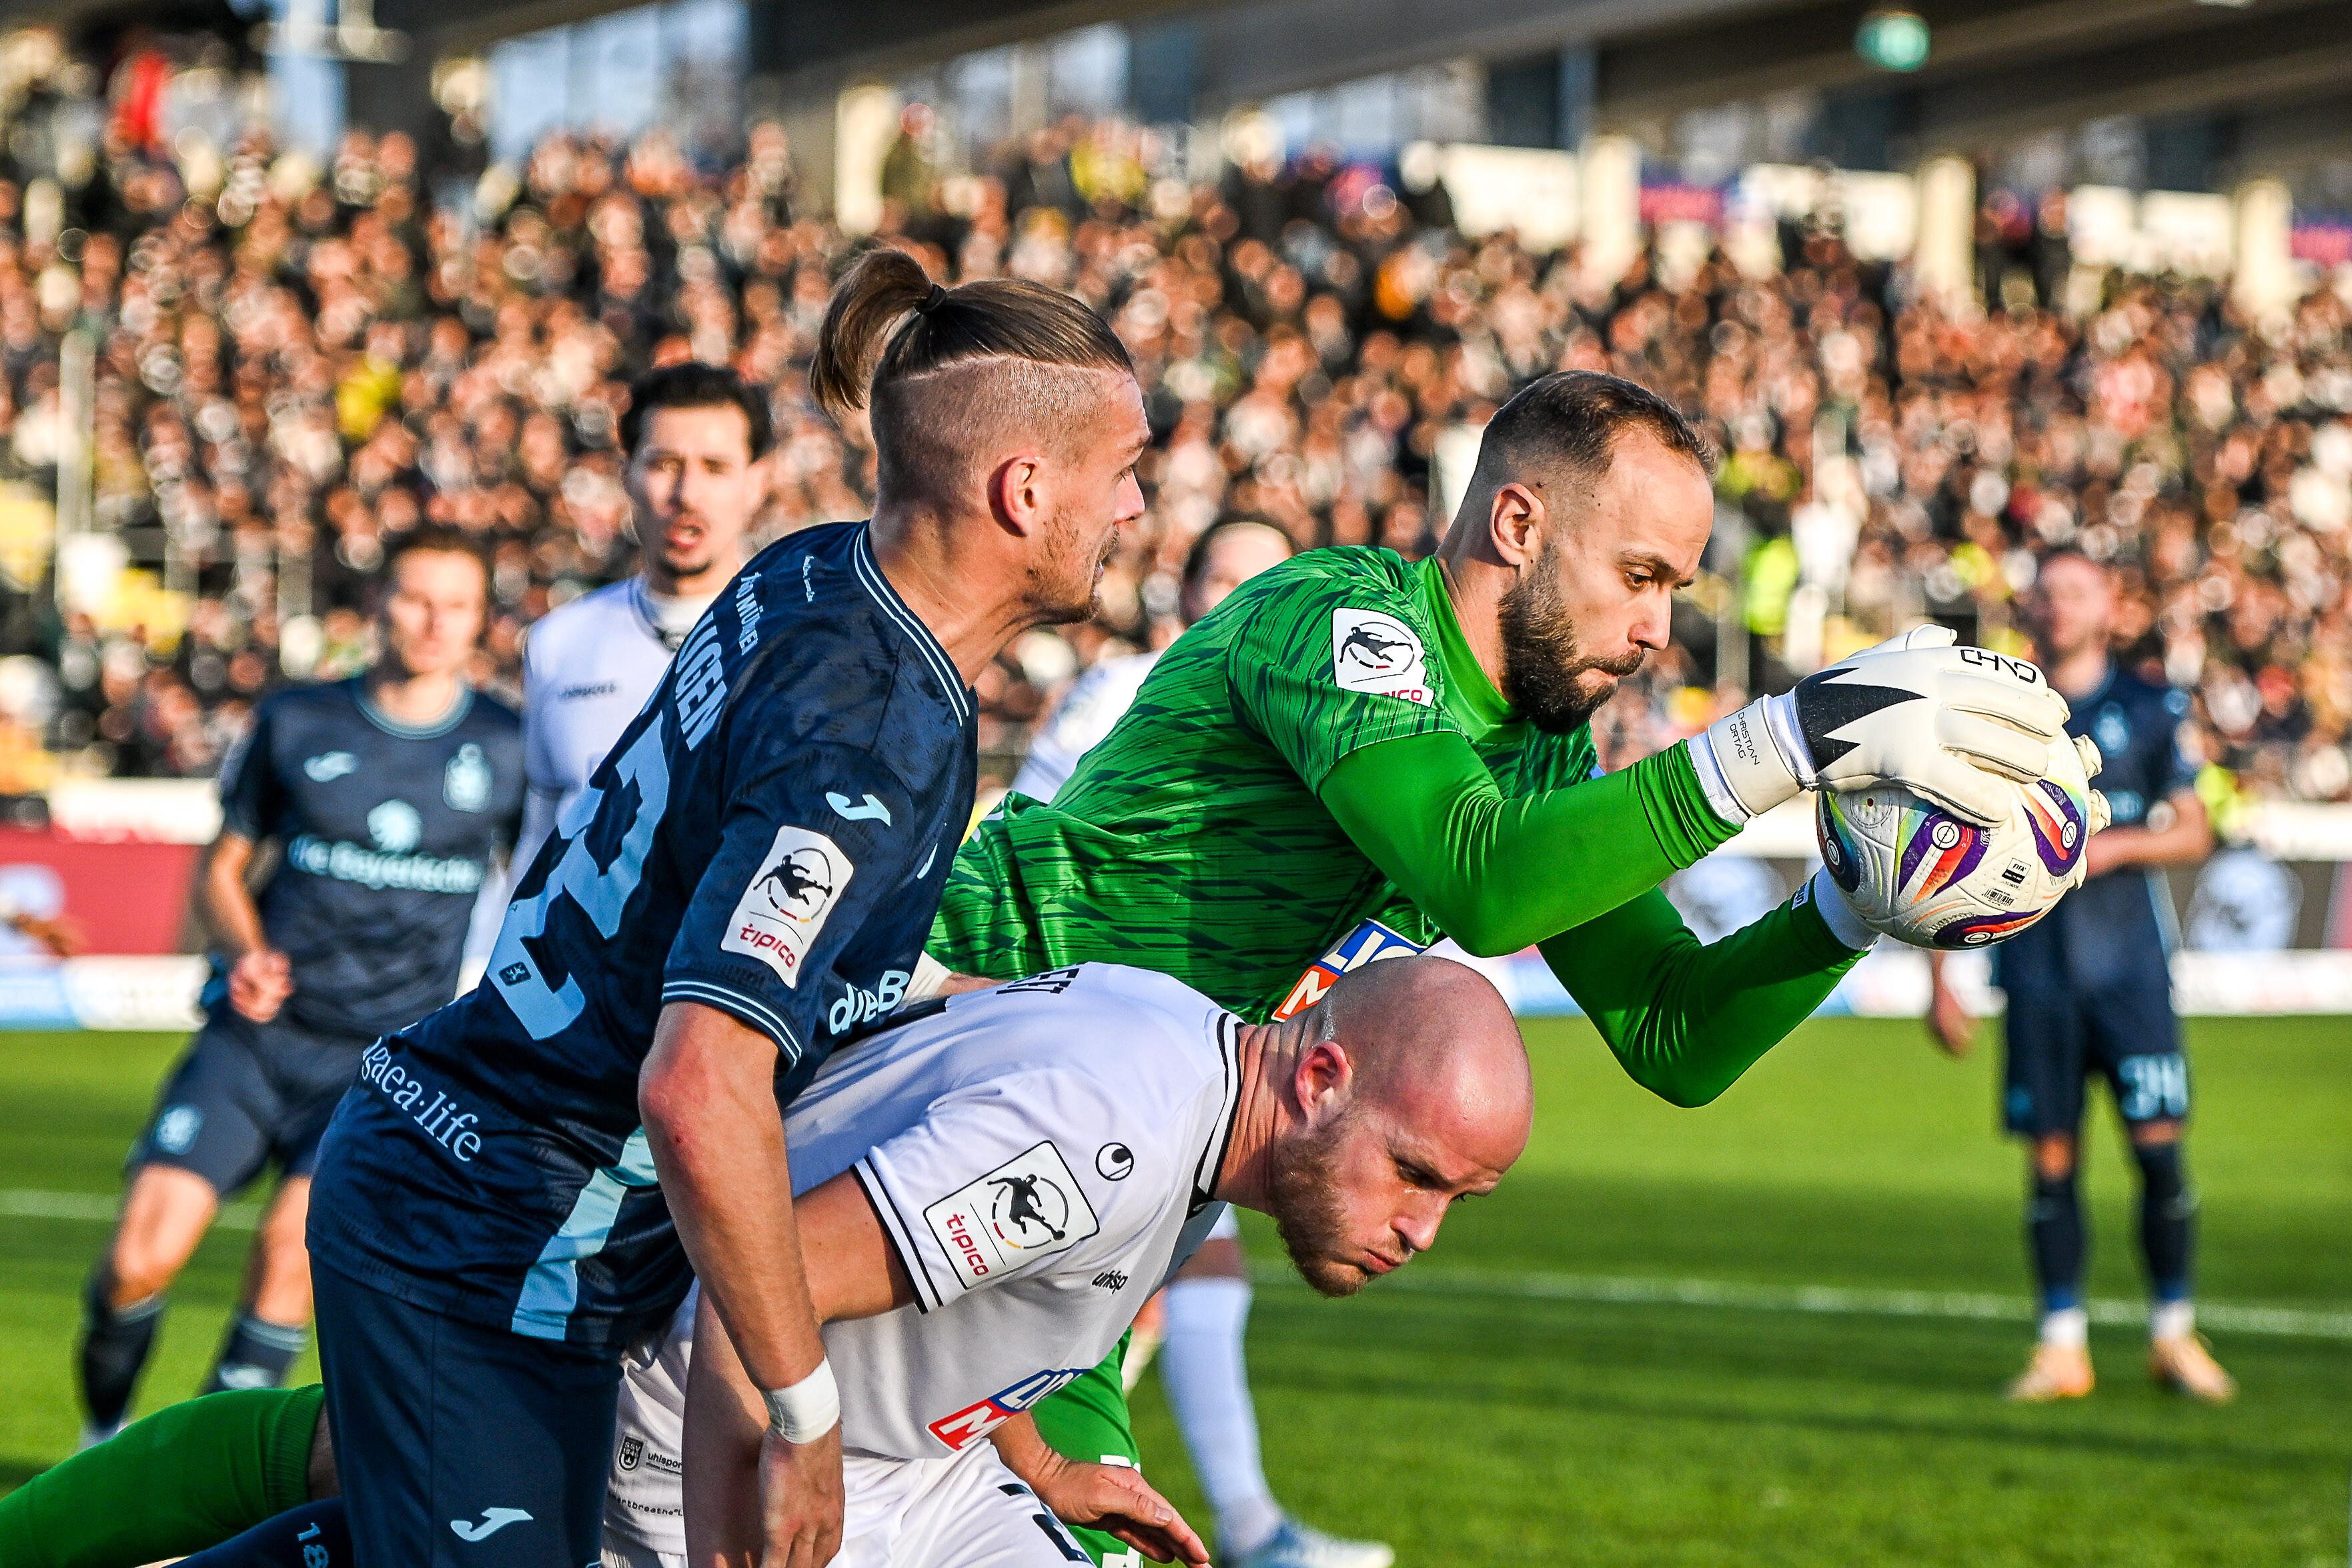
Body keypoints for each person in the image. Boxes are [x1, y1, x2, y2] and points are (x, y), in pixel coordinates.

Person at [927, 369, 2077, 1567]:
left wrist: (1847, 909)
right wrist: (1788, 739)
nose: (1655, 630)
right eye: (1638, 576)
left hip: (1092, 1248)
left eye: (1676, 589)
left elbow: (1673, 1035)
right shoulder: (1334, 619)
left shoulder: (1539, 756)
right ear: (1518, 526)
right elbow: (1480, 881)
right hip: (934, 1082)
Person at [299, 252, 1150, 1568]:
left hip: (506, 1214)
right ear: (1022, 487)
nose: (1138, 505)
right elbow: (700, 1080)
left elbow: (802, 953)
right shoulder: (872, 728)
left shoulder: (819, 576)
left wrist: (1049, 1015)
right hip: (492, 1234)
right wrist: (803, 1412)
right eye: (1124, 466)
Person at [11, 956, 1532, 1568]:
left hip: (895, 1465)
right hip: (730, 1460)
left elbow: (942, 1258)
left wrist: (1031, 1446)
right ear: (1322, 1077)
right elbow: (771, 1287)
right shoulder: (1111, 1138)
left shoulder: (1186, 1054)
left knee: (349, 1457)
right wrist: (773, 1495)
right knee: (362, 1478)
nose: (1417, 1223)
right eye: (1415, 1172)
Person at [74, 526, 524, 1446]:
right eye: (413, 597)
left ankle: (194, 1480)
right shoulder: (297, 718)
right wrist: (242, 947)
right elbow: (223, 866)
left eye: (457, 603)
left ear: (481, 619)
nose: (433, 620)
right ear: (376, 606)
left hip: (387, 1066)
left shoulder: (508, 746)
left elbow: (534, 892)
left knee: (289, 1259)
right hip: (255, 1040)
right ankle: (102, 1436)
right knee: (133, 1262)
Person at [1010, 518, 1393, 1568]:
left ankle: (1216, 1507)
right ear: (1183, 592)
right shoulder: (1127, 692)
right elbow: (1044, 848)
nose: (1251, 596)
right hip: (1091, 1049)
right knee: (1078, 1293)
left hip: (1216, 1057)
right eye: (1225, 576)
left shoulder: (1323, 715)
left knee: (1183, 1279)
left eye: (1267, 577)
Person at [1926, 549, 2233, 1403]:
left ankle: (2173, 1333)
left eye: (2075, 591)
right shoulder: (2000, 714)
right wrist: (1941, 977)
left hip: (2130, 974)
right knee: (2050, 1161)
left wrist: (2107, 849)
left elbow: (2196, 831)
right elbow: (1945, 848)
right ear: (2028, 604)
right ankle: (2061, 1346)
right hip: (2035, 974)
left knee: (2159, 1155)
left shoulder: (2150, 705)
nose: (2057, 606)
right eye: (2046, 591)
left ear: (2107, 605)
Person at [512, 362, 762, 874]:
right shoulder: (559, 641)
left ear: (757, 481)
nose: (686, 494)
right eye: (664, 463)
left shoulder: (804, 640)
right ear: (626, 473)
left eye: (715, 466)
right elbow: (538, 841)